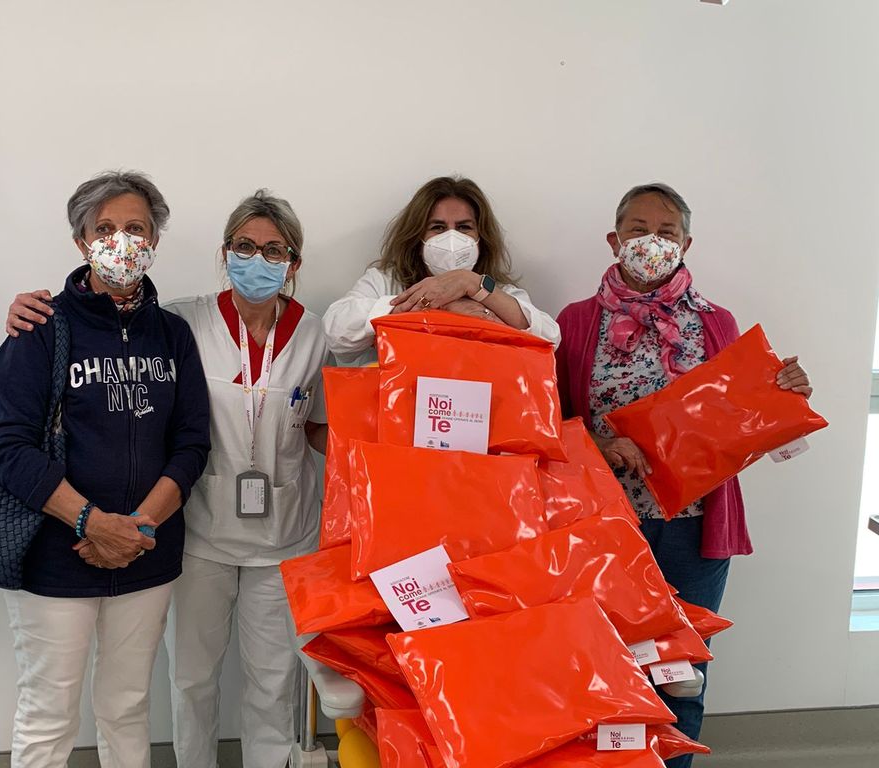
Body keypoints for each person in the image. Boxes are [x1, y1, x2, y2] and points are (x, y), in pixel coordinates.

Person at [5, 189, 331, 768]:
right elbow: (12, 442)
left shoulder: (312, 335)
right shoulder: (182, 322)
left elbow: (316, 429)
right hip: (198, 531)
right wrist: (21, 311)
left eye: (273, 250)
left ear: (293, 262)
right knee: (190, 680)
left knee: (271, 681)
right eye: (244, 246)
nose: (257, 259)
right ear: (224, 253)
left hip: (280, 533)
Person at [553, 182, 812, 768]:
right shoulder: (575, 321)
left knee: (681, 674)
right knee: (601, 665)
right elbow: (550, 420)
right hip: (603, 525)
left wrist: (784, 394)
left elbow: (742, 417)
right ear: (614, 240)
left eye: (666, 232)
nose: (652, 242)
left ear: (686, 244)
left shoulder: (716, 323)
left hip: (694, 527)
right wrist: (598, 443)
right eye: (638, 230)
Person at [0, 171, 211, 768]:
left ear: (154, 239)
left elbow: (191, 445)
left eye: (135, 228)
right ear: (82, 242)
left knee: (127, 706)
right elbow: (6, 447)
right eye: (104, 229)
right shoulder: (40, 328)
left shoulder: (173, 335)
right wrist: (92, 523)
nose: (121, 241)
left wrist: (135, 529)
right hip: (56, 557)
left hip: (147, 553)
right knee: (48, 714)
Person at [322, 175, 560, 365]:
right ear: (417, 237)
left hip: (479, 406)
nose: (452, 238)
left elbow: (549, 340)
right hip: (397, 406)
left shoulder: (500, 291)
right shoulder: (385, 282)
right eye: (438, 227)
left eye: (464, 227)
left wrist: (470, 283)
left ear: (481, 237)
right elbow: (336, 331)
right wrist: (438, 306)